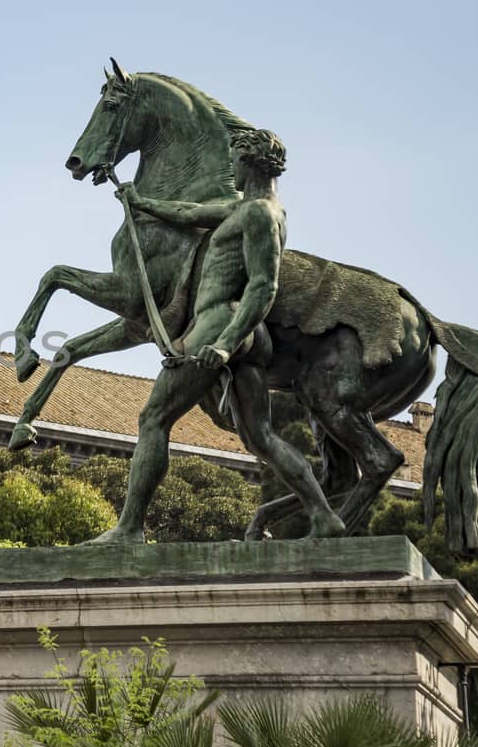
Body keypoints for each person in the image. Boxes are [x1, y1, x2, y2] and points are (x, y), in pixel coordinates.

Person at [91, 128, 346, 542]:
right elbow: (190, 214)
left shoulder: (260, 214)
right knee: (261, 437)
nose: (230, 167)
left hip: (220, 325)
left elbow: (265, 285)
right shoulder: (246, 209)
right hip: (239, 332)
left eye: (233, 160)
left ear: (248, 161)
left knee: (153, 418)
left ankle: (129, 528)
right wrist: (140, 203)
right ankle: (324, 517)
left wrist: (225, 343)